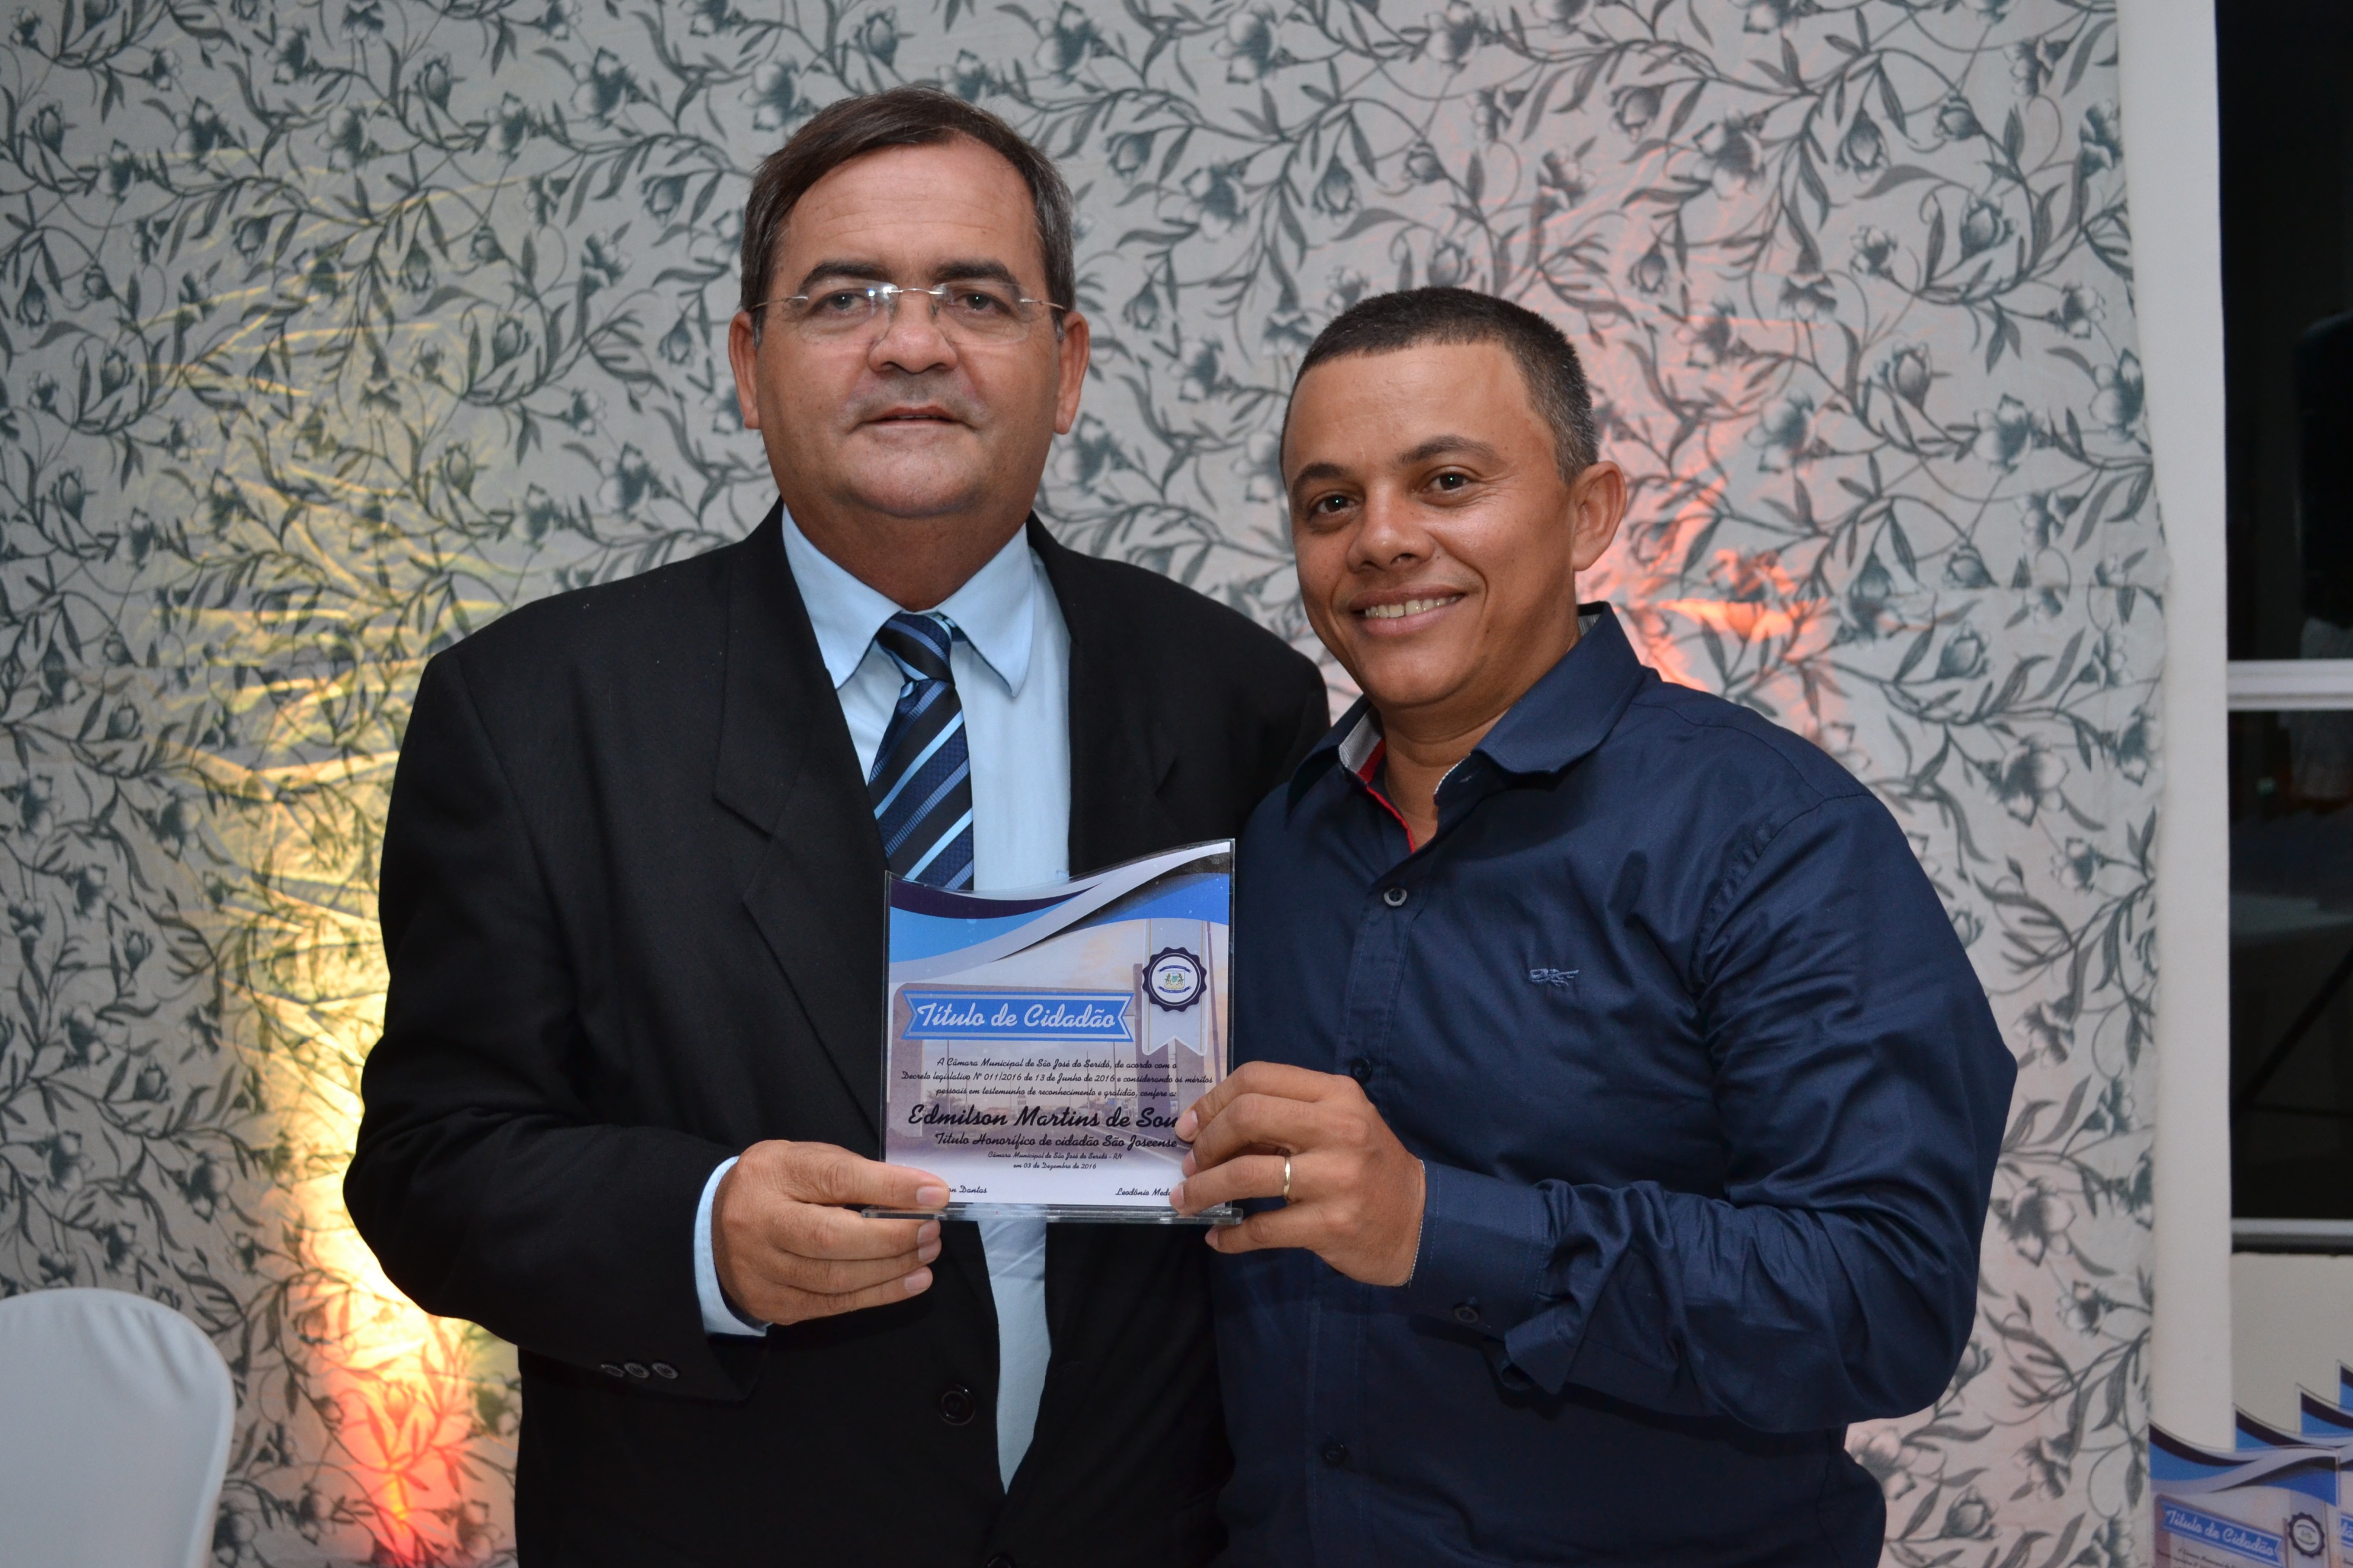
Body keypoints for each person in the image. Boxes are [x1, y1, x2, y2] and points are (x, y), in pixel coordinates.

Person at [344, 88, 1327, 1568]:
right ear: (750, 366)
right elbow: (428, 1163)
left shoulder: (1238, 695)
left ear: (1065, 367)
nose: (912, 343)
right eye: (844, 296)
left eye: (975, 297)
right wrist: (701, 1228)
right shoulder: (535, 711)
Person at [1170, 287, 2016, 1565]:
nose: (1381, 539)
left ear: (1589, 511)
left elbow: (1885, 1294)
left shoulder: (1773, 836)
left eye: (1447, 481)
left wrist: (1439, 1226)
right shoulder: (1271, 842)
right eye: (1330, 501)